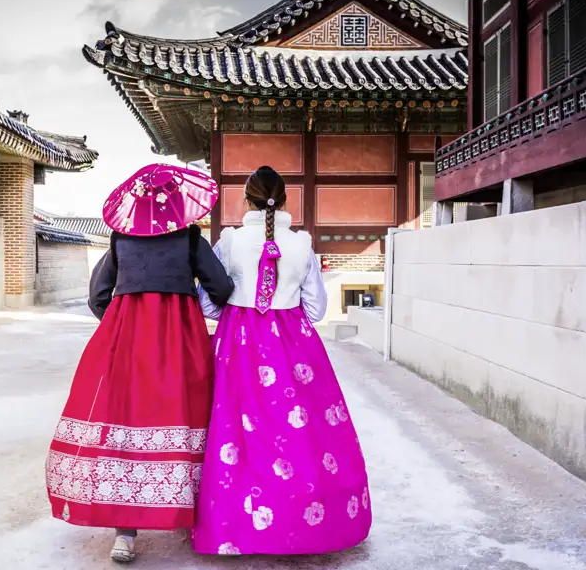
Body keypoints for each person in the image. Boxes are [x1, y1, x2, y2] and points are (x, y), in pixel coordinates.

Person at [45, 164, 234, 564]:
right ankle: (187, 517)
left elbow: (98, 296)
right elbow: (222, 287)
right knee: (184, 416)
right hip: (180, 339)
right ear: (179, 204)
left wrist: (120, 324)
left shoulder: (119, 238)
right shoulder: (190, 239)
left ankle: (125, 535)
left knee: (126, 422)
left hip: (126, 337)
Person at [193, 166, 372, 556]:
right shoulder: (302, 244)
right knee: (301, 430)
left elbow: (209, 301)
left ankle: (237, 526)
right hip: (292, 344)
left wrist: (235, 309)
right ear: (285, 200)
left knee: (237, 430)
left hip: (239, 342)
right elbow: (317, 307)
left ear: (246, 198)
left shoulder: (230, 242)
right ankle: (309, 520)